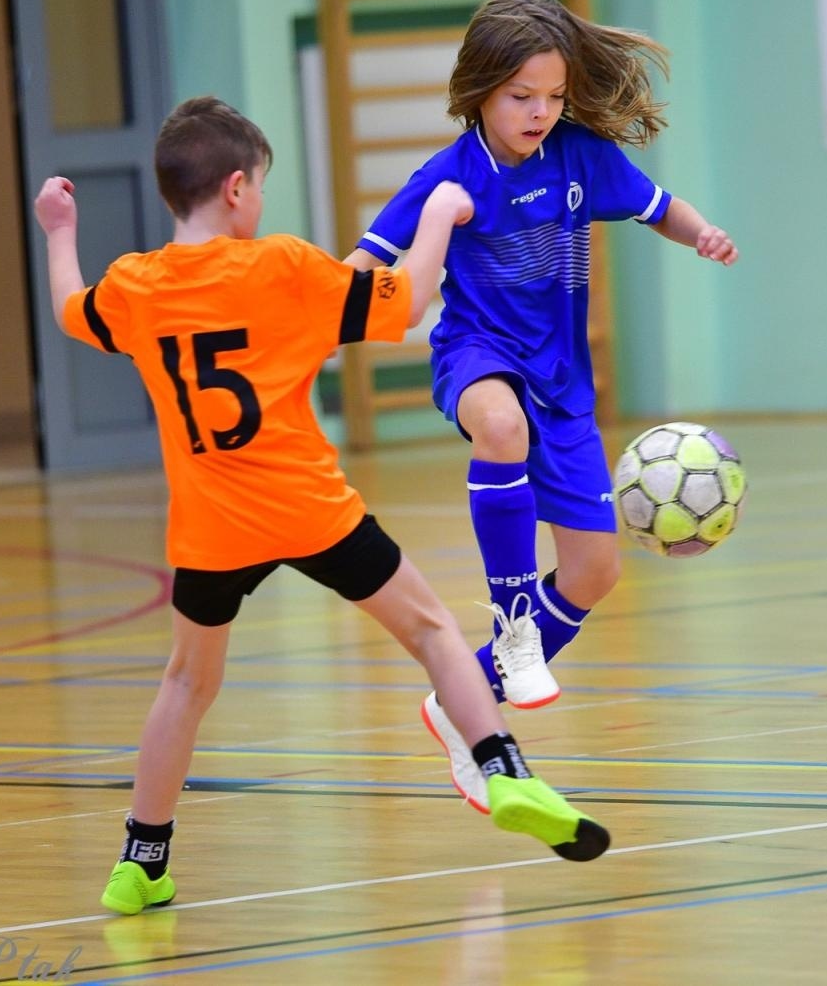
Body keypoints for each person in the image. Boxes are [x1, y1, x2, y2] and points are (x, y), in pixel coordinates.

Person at [31, 96, 610, 917]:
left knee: (187, 684)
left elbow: (69, 307)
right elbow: (406, 304)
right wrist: (441, 212)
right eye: (260, 184)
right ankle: (504, 770)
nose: (260, 200)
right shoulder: (282, 268)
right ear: (236, 189)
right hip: (310, 509)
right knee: (434, 631)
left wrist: (59, 230)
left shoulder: (135, 286)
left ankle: (141, 860)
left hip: (209, 527)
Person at [341, 0, 737, 812]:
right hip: (478, 355)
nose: (540, 111)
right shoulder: (446, 180)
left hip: (564, 386)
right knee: (499, 424)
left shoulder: (580, 159)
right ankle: (515, 624)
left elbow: (658, 208)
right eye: (523, 95)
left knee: (595, 572)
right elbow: (361, 264)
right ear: (481, 90)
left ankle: (465, 702)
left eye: (553, 97)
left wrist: (702, 234)